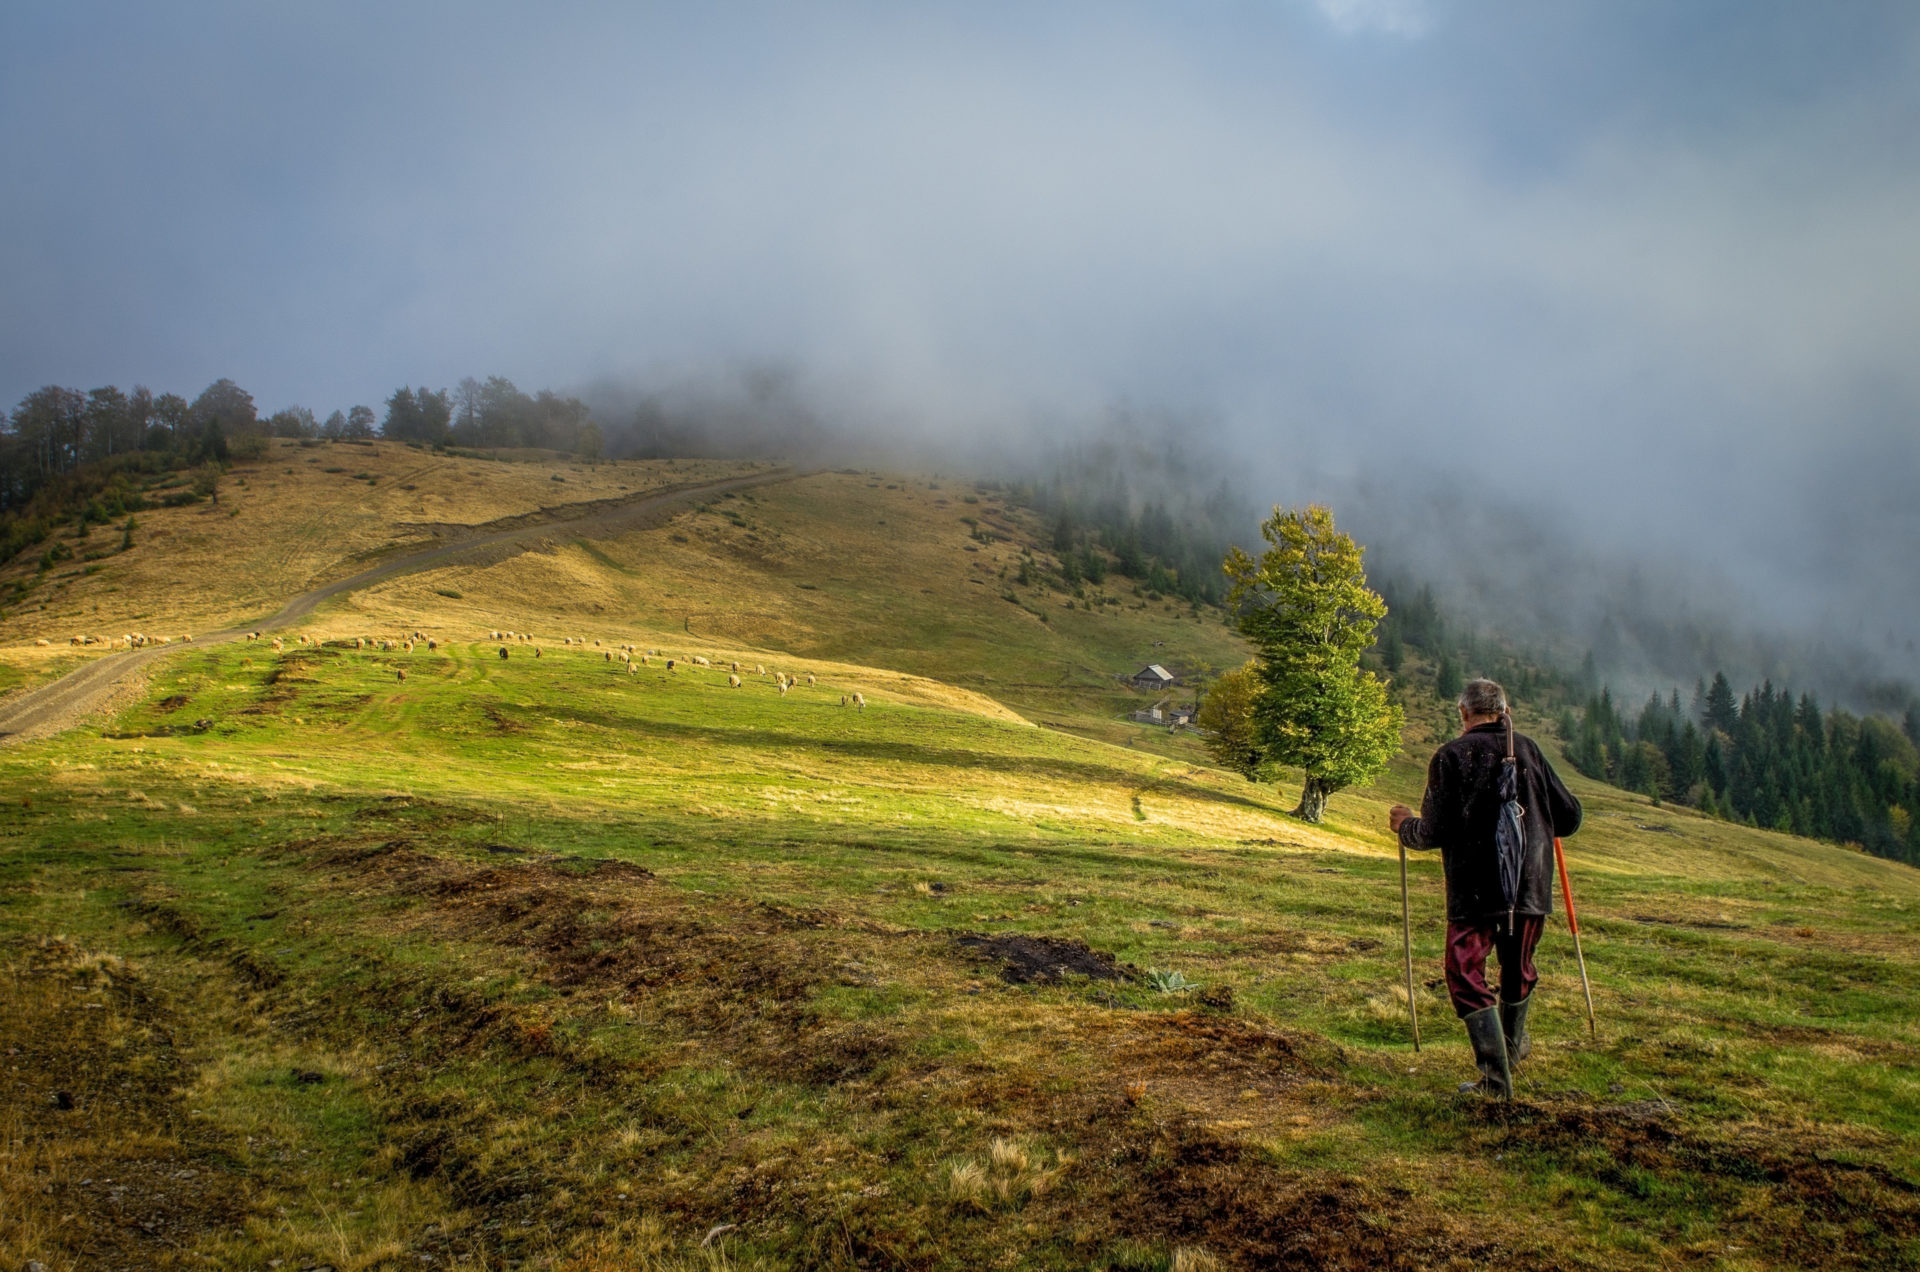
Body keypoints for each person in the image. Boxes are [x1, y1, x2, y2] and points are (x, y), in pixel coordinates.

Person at [1389, 678, 1581, 1097]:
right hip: (1530, 886)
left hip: (1475, 892)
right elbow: (1569, 818)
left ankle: (1497, 1081)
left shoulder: (1451, 756)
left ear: (1464, 713)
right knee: (1518, 969)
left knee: (1464, 971)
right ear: (1504, 710)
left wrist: (1405, 826)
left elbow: (1432, 832)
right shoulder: (1528, 750)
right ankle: (1510, 1054)